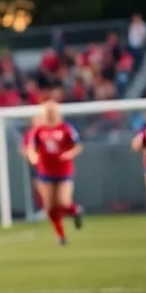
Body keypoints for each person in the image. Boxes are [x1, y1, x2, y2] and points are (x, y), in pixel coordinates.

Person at [26, 100, 83, 245]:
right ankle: (61, 236)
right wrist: (33, 156)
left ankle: (75, 211)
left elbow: (77, 146)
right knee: (50, 206)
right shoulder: (38, 131)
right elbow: (31, 147)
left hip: (64, 170)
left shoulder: (66, 128)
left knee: (63, 201)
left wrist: (69, 154)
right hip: (45, 171)